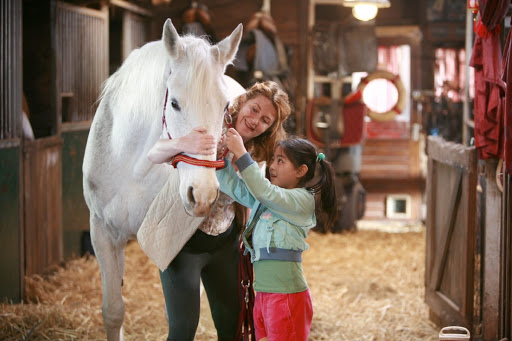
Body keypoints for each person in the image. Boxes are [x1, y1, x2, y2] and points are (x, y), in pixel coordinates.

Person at [147, 81, 291, 341]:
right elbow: (154, 154)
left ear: (269, 128)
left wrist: (240, 155)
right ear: (242, 102)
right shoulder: (209, 127)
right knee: (182, 332)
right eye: (254, 109)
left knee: (234, 328)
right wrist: (183, 142)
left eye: (266, 120)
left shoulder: (258, 153)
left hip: (226, 244)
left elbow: (252, 198)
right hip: (184, 245)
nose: (255, 120)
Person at [216, 131, 338, 341]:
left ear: (301, 171)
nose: (272, 166)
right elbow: (236, 187)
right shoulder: (267, 199)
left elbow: (264, 191)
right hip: (263, 295)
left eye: (280, 161)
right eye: (273, 159)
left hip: (286, 296)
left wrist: (240, 152)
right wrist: (221, 158)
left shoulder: (302, 200)